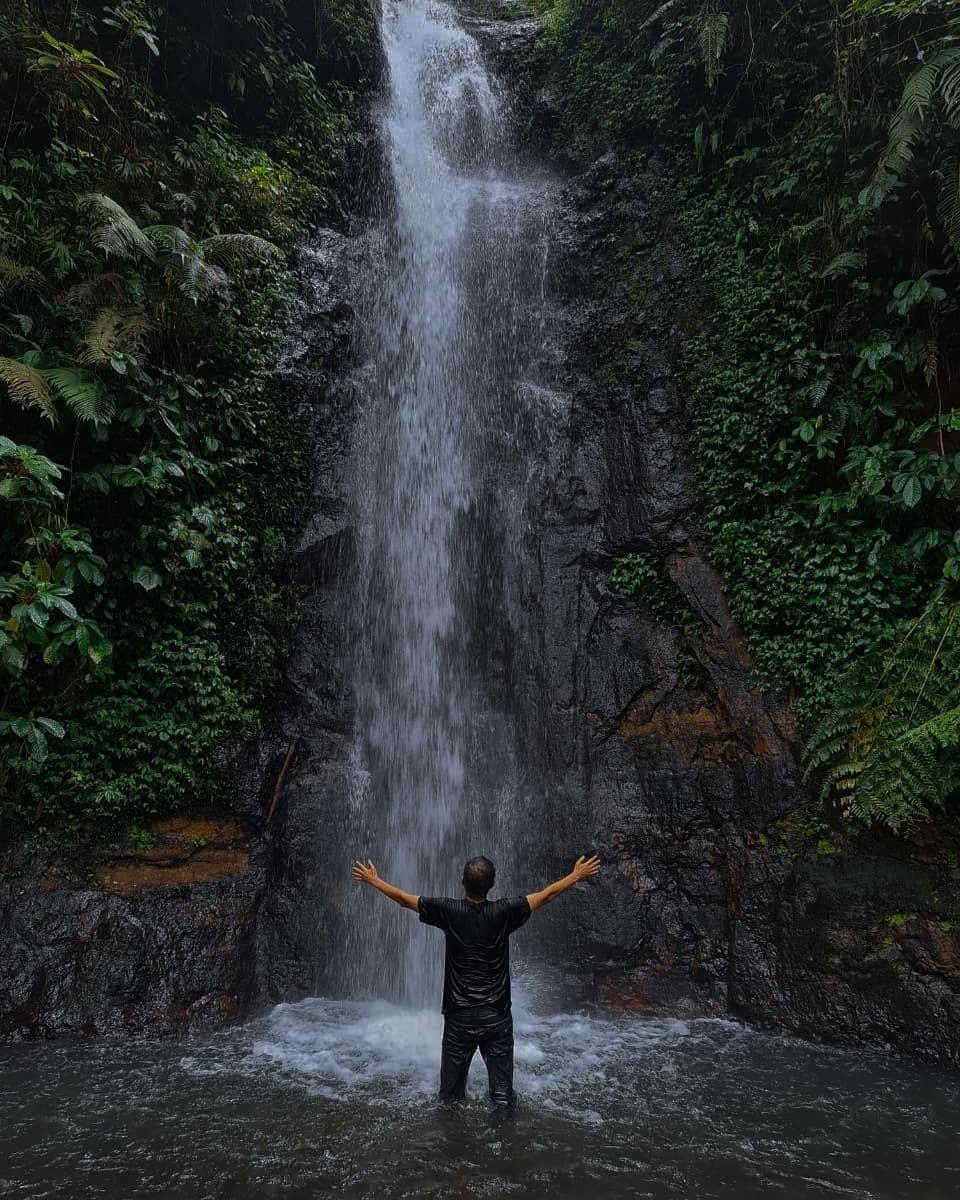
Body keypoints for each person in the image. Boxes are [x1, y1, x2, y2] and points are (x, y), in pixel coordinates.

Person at [351, 852, 601, 1107]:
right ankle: (501, 1141)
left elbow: (404, 900)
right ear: (492, 885)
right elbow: (547, 895)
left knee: (449, 1097)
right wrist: (576, 875)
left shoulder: (448, 910)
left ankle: (453, 1141)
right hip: (497, 1017)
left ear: (462, 881)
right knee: (503, 1096)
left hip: (459, 1017)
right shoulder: (506, 911)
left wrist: (374, 880)